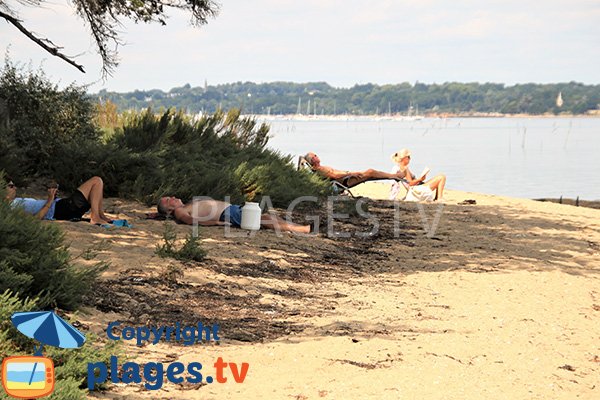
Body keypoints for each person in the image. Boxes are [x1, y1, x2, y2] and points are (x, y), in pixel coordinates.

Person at [157, 196, 313, 234]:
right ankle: (302, 229)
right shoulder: (179, 211)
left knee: (266, 216)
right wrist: (215, 223)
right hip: (226, 214)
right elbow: (191, 220)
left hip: (231, 209)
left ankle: (299, 227)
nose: (174, 197)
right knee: (264, 219)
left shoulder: (184, 206)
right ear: (169, 210)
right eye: (169, 200)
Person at [5, 176, 112, 224]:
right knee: (96, 181)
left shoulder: (16, 201)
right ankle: (95, 216)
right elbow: (36, 218)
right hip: (60, 209)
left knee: (97, 185)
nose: (15, 188)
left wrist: (52, 197)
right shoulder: (11, 207)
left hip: (61, 207)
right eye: (11, 186)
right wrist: (50, 200)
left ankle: (99, 215)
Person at [300, 152, 405, 188]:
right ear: (313, 159)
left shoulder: (319, 168)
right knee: (370, 172)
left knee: (371, 174)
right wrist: (352, 173)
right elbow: (335, 175)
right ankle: (395, 176)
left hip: (344, 178)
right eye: (315, 155)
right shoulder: (319, 169)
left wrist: (348, 173)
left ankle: (394, 177)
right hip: (344, 182)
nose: (317, 156)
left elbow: (335, 173)